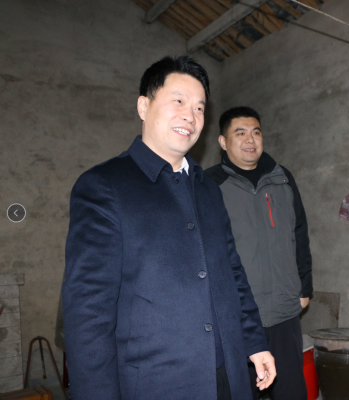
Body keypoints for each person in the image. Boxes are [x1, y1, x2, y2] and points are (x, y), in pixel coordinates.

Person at [62, 56, 276, 400]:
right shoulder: (104, 185)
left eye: (199, 108)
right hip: (156, 384)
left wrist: (254, 342)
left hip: (227, 376)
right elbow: (88, 312)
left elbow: (232, 273)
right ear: (144, 106)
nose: (190, 116)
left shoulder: (208, 189)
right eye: (178, 101)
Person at [205, 107, 312, 400]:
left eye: (256, 132)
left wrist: (305, 287)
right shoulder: (209, 184)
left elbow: (299, 234)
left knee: (289, 390)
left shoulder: (282, 179)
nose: (250, 139)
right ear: (224, 142)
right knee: (240, 391)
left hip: (283, 308)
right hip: (237, 314)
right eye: (240, 133)